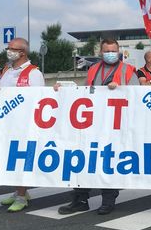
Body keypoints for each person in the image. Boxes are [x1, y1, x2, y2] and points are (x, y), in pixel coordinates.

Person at [58, 38, 139, 215]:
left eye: (113, 50)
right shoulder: (93, 69)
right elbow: (85, 93)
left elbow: (136, 96)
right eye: (107, 50)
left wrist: (120, 89)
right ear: (101, 53)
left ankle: (108, 200)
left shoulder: (128, 71)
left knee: (108, 160)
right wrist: (63, 89)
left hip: (115, 124)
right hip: (94, 123)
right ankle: (80, 199)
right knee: (84, 159)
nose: (110, 53)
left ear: (119, 51)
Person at [0, 38, 45, 212]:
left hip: (24, 125)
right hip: (7, 124)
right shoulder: (7, 70)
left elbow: (40, 98)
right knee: (11, 159)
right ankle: (18, 192)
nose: (8, 51)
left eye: (12, 49)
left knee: (20, 159)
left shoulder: (33, 73)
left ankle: (22, 196)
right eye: (8, 48)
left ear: (23, 52)